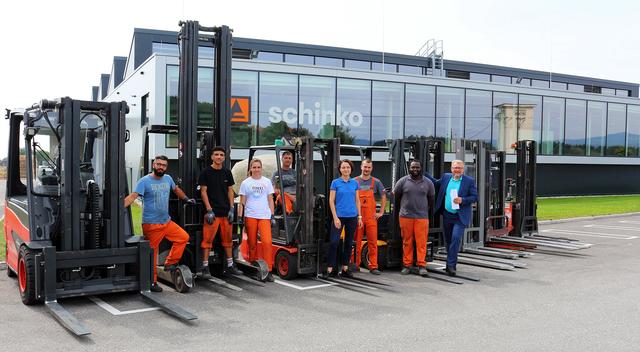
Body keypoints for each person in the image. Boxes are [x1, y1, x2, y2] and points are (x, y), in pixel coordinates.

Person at [124, 155, 193, 292]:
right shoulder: (144, 181)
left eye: (164, 165)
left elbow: (176, 189)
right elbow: (133, 196)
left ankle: (170, 263)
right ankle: (152, 282)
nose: (161, 167)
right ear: (153, 165)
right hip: (151, 224)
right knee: (153, 254)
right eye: (158, 164)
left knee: (183, 237)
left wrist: (186, 199)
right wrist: (118, 208)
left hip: (166, 221)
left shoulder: (168, 179)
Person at [426, 160, 478, 276]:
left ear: (463, 169)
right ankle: (451, 264)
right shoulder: (446, 177)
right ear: (451, 169)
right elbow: (436, 183)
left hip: (460, 216)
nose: (457, 170)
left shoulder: (469, 181)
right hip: (447, 215)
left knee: (455, 238)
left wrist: (462, 200)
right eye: (455, 167)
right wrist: (423, 172)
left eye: (459, 168)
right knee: (448, 241)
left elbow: (475, 197)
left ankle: (450, 266)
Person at [198, 146, 242, 278]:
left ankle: (230, 266)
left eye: (221, 155)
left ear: (224, 157)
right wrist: (209, 210)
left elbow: (230, 191)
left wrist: (231, 208)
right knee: (207, 240)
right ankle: (205, 267)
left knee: (228, 240)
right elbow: (203, 191)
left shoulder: (227, 172)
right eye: (216, 154)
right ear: (212, 157)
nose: (219, 157)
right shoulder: (205, 172)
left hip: (225, 213)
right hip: (212, 213)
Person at [392, 160, 435, 277]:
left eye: (417, 167)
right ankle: (407, 265)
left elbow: (431, 199)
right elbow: (397, 199)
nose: (415, 169)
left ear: (421, 168)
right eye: (413, 167)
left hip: (422, 217)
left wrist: (427, 213)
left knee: (421, 242)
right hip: (406, 216)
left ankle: (421, 265)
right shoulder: (402, 181)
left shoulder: (428, 183)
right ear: (409, 168)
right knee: (407, 242)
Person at [238, 159, 276, 282]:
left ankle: (269, 270)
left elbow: (270, 199)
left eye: (258, 167)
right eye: (254, 167)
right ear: (250, 169)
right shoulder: (245, 183)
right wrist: (240, 217)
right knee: (252, 243)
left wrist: (272, 215)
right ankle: (254, 267)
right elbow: (242, 202)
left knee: (267, 242)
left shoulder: (267, 182)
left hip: (264, 216)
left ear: (261, 168)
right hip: (250, 215)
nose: (256, 169)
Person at [324, 159, 363, 279]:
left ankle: (345, 268)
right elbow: (331, 200)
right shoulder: (335, 183)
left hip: (352, 216)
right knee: (334, 242)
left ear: (351, 169)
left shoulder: (354, 183)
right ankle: (330, 269)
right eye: (343, 167)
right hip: (339, 217)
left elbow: (357, 200)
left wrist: (359, 216)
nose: (346, 169)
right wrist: (335, 217)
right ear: (340, 169)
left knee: (349, 243)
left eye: (348, 167)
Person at [353, 159, 387, 275]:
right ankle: (355, 264)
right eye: (365, 167)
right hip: (358, 217)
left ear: (371, 168)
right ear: (361, 167)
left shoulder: (376, 182)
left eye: (369, 167)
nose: (366, 169)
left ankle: (373, 266)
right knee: (356, 241)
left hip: (371, 217)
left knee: (372, 242)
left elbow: (384, 196)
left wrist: (381, 211)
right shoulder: (354, 181)